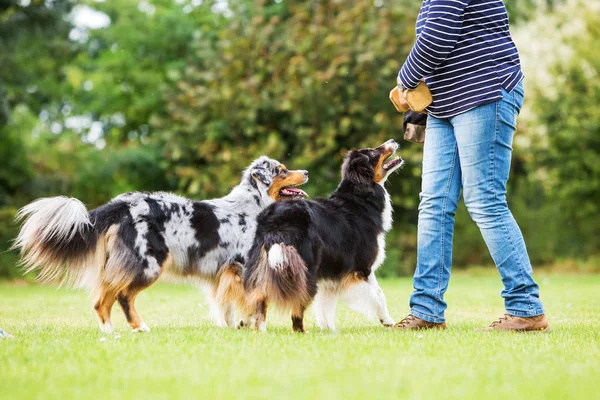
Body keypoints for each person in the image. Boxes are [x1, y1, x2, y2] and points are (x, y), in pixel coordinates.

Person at [391, 0, 549, 332]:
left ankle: (526, 308)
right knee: (433, 203)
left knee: (484, 200)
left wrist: (405, 79)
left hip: (483, 91)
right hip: (445, 104)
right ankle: (427, 310)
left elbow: (437, 35)